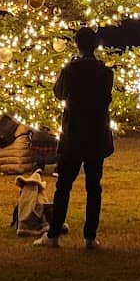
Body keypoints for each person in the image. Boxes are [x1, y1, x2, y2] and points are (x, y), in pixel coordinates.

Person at [35, 27, 114, 250]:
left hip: (74, 135)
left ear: (77, 44)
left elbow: (58, 93)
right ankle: (90, 237)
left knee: (63, 186)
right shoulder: (105, 73)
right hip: (97, 135)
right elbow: (106, 99)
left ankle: (53, 235)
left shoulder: (70, 70)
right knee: (93, 187)